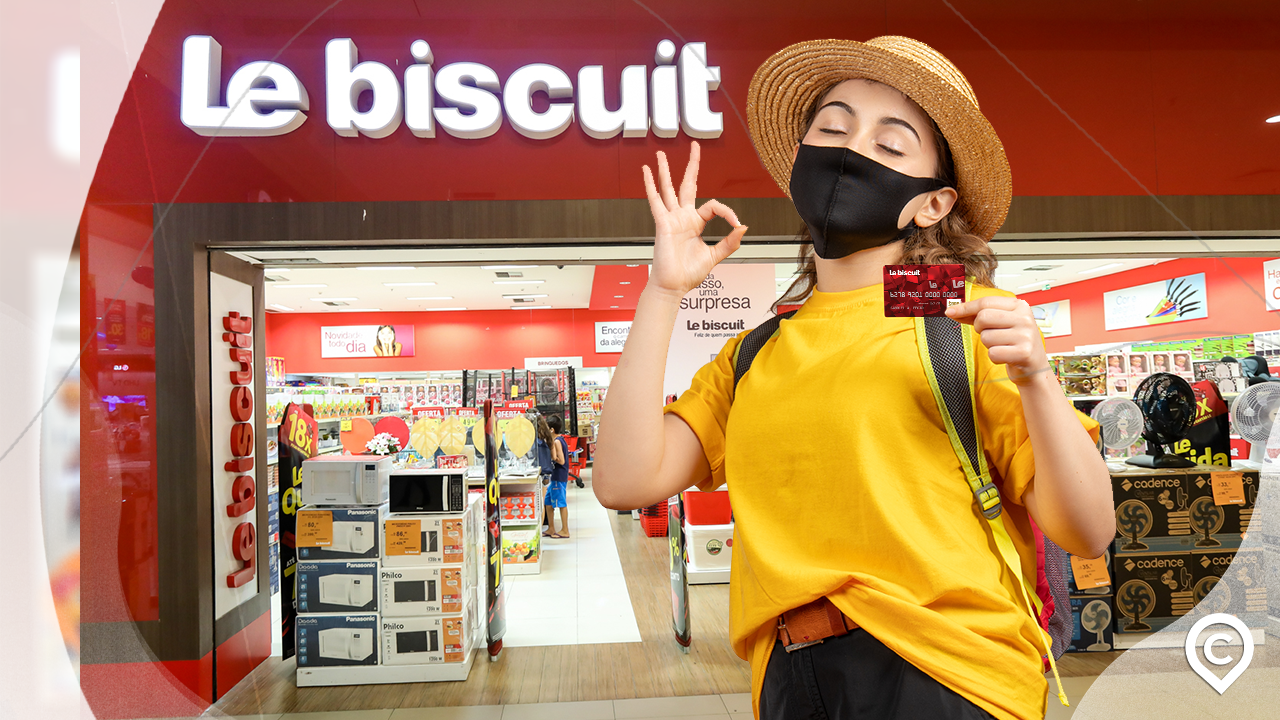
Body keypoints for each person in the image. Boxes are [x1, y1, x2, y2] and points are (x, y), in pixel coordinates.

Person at [592, 36, 1113, 720]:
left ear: (931, 204)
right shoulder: (757, 352)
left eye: (890, 145)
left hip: (947, 677)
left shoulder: (966, 317)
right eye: (833, 128)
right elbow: (624, 480)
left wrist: (1040, 381)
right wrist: (663, 291)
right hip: (787, 680)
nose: (850, 150)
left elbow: (1088, 531)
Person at [542, 415, 571, 538]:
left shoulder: (557, 442)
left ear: (552, 430)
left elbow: (562, 461)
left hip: (558, 477)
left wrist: (553, 457)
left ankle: (565, 530)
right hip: (555, 477)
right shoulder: (560, 439)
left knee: (561, 503)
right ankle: (551, 528)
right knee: (548, 502)